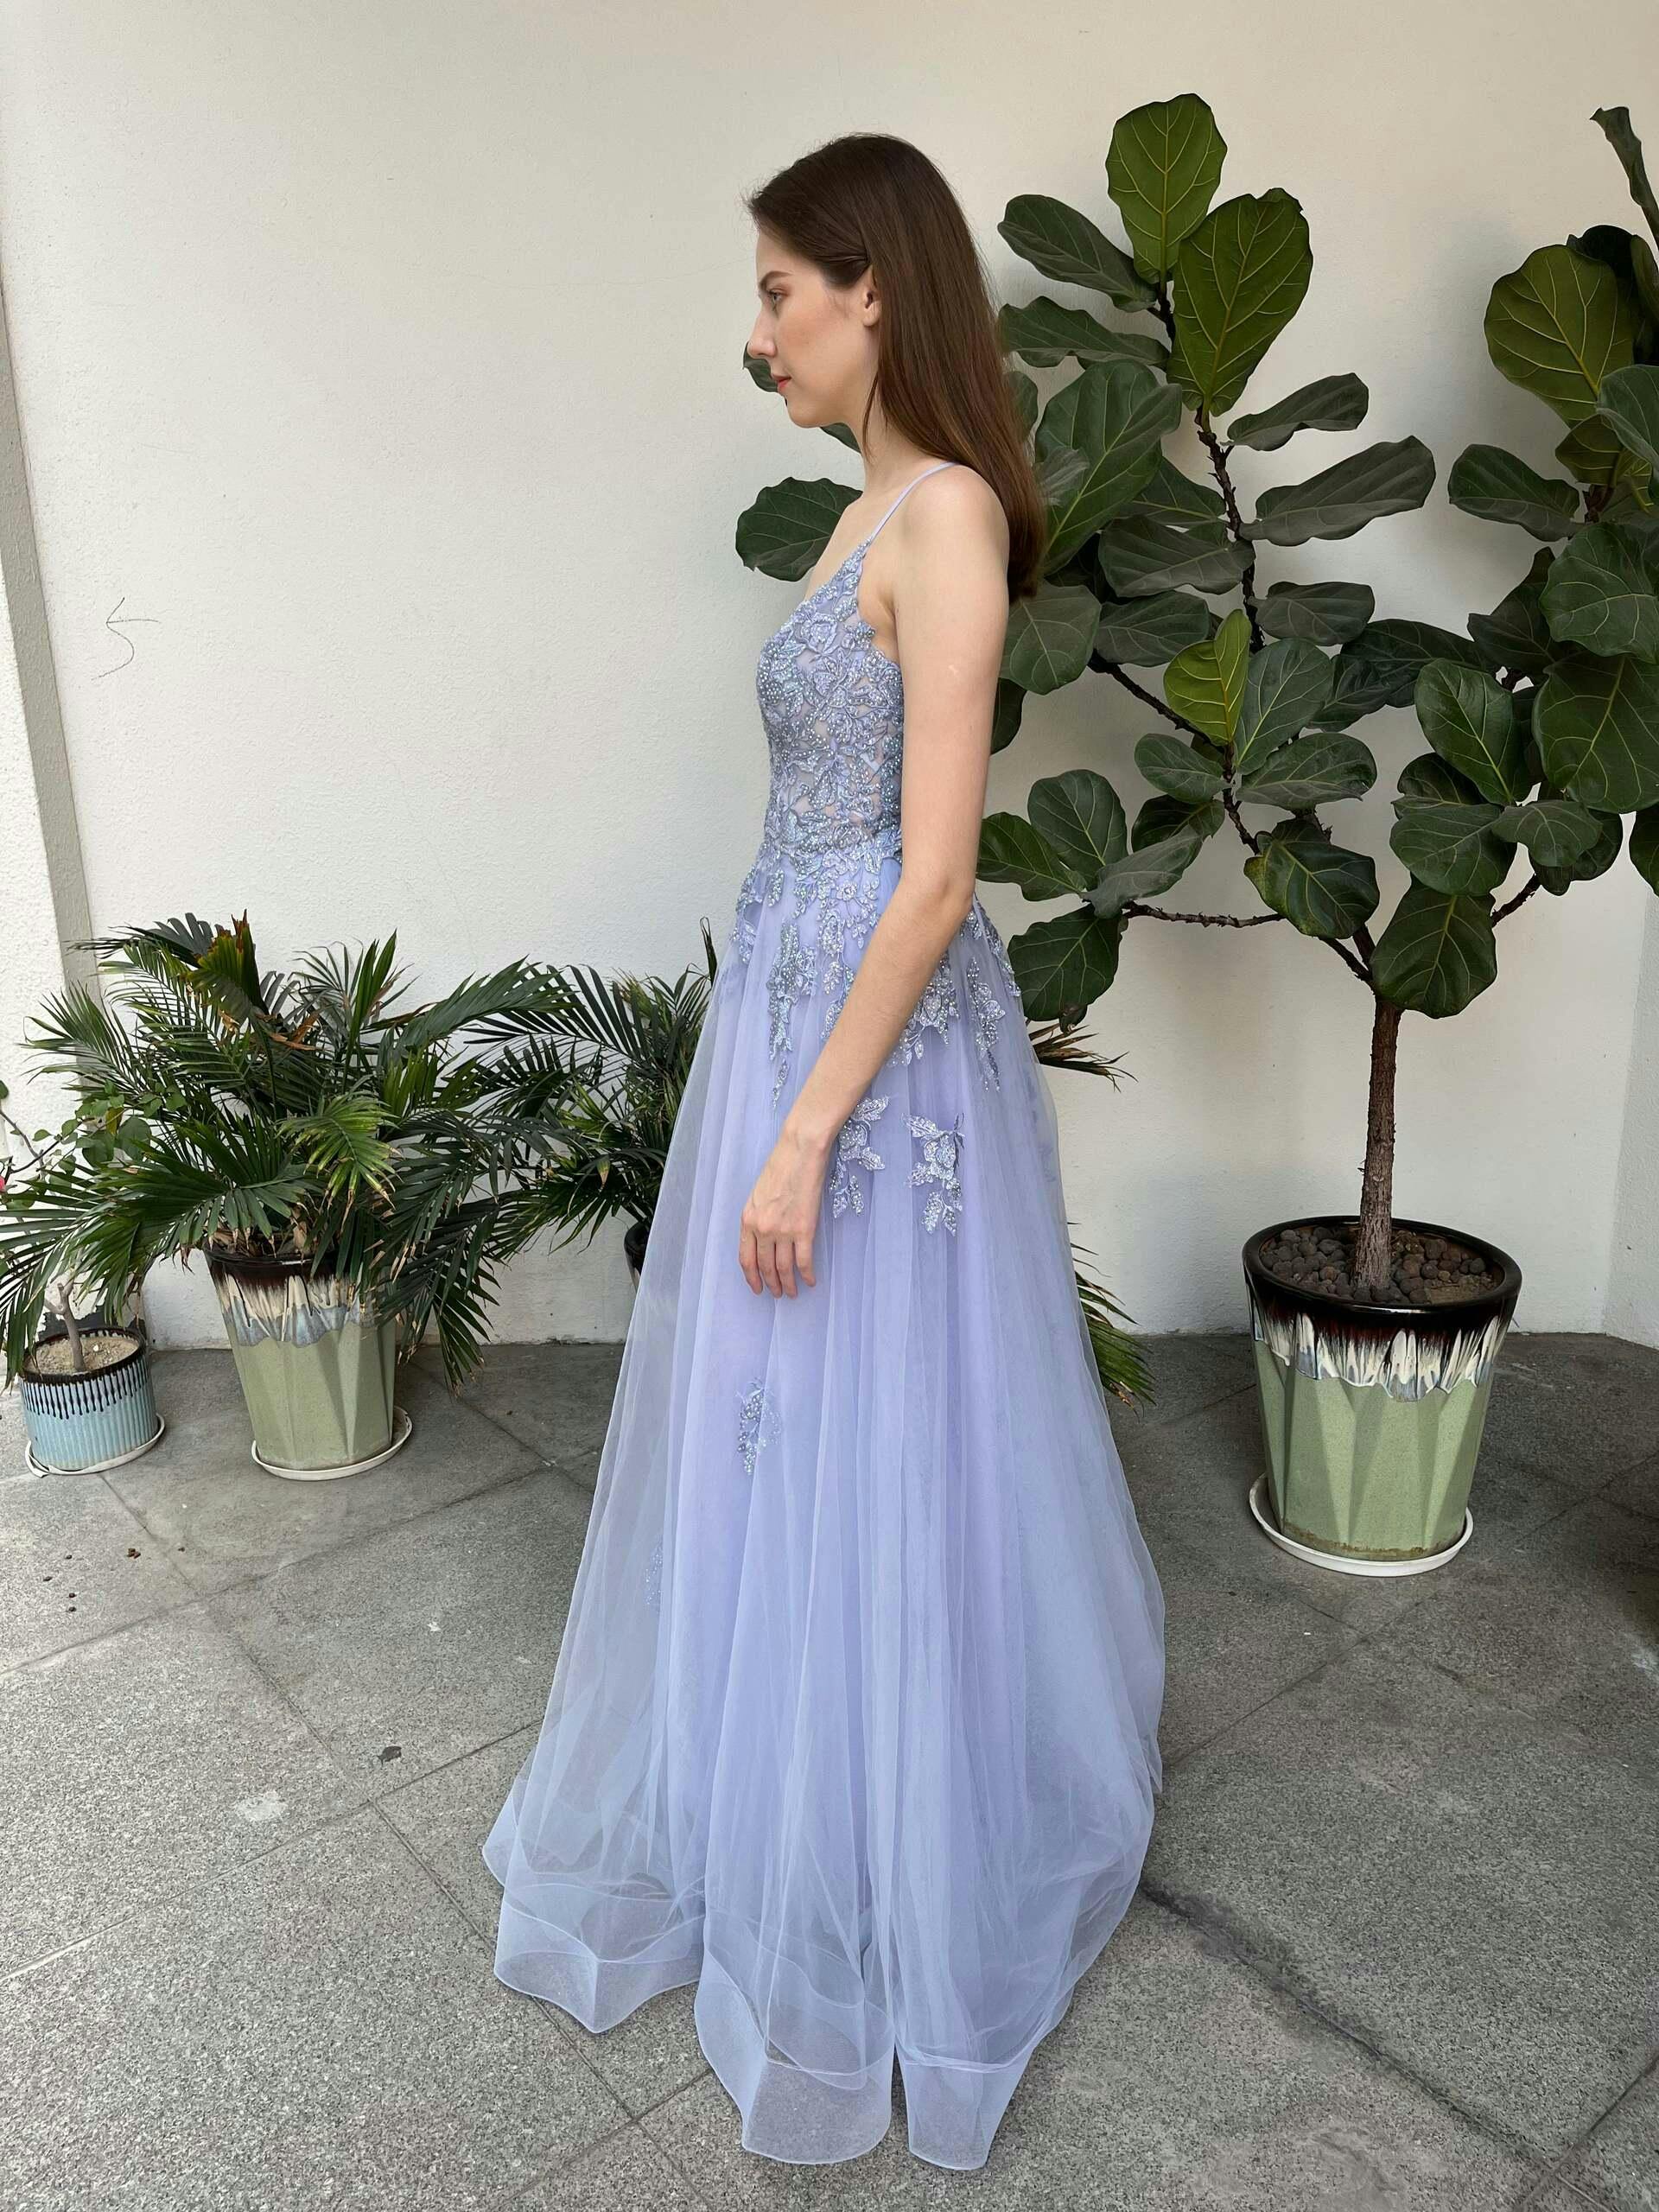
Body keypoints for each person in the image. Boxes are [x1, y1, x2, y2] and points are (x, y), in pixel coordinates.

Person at [483, 130, 1166, 2173]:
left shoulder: (944, 516)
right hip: (803, 1009)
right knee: (788, 1416)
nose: (760, 330)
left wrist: (800, 1131)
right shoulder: (869, 513)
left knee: (877, 1413)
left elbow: (937, 872)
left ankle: (887, 1833)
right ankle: (782, 1793)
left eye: (784, 288)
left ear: (879, 286)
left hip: (869, 1057)